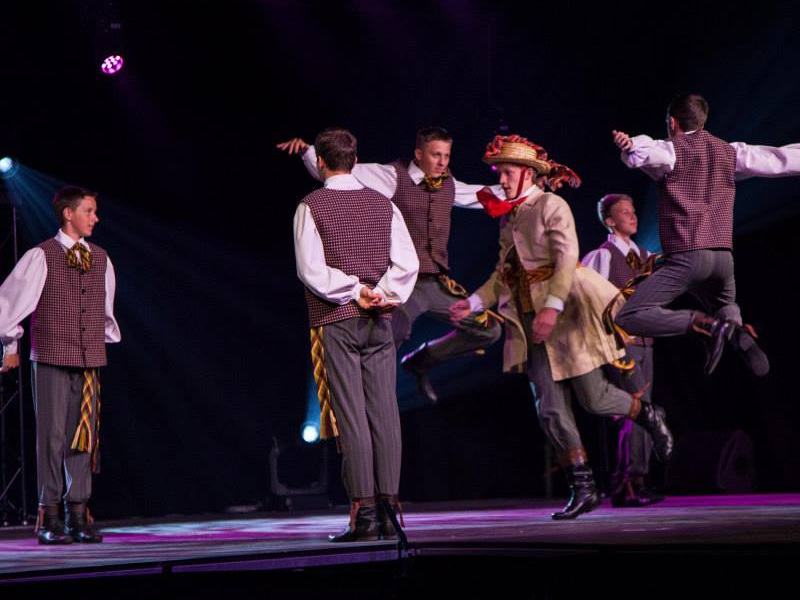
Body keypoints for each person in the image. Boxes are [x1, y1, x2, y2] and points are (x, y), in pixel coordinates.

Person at [449, 135, 673, 519]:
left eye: (506, 172)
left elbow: (567, 258)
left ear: (527, 173)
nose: (501, 180)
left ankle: (648, 415)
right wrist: (472, 302)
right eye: (499, 172)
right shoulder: (509, 217)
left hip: (566, 315)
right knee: (549, 408)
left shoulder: (552, 205)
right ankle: (583, 486)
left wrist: (551, 308)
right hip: (528, 320)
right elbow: (504, 273)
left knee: (594, 398)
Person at [279, 127, 500, 404]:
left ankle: (422, 360)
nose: (442, 162)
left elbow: (487, 195)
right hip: (404, 286)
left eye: (446, 156)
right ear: (419, 154)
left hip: (437, 285)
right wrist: (308, 152)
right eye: (436, 155)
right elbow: (340, 172)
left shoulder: (450, 185)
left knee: (489, 329)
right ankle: (368, 397)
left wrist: (531, 184)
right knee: (387, 336)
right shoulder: (393, 176)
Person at [613, 93, 800, 375]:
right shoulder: (731, 152)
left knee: (629, 316)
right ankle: (736, 330)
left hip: (687, 258)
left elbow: (646, 152)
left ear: (672, 122)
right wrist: (634, 148)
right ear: (702, 122)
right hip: (723, 259)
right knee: (723, 304)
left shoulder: (671, 150)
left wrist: (630, 145)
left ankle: (706, 325)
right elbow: (779, 159)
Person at [292, 127, 419, 541]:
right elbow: (407, 263)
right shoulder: (383, 203)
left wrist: (354, 291)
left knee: (352, 417)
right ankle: (389, 513)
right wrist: (382, 293)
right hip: (380, 319)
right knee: (385, 413)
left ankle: (365, 516)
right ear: (354, 160)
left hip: (338, 319)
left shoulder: (311, 205)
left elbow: (310, 269)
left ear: (321, 163)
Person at [0, 186, 121, 544]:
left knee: (83, 436)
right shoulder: (42, 256)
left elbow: (105, 310)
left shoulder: (101, 258)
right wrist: (10, 344)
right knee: (52, 437)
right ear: (68, 214)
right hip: (52, 356)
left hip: (88, 360)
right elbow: (9, 302)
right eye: (89, 211)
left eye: (94, 211)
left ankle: (78, 514)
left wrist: (94, 341)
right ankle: (50, 515)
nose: (95, 218)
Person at [582, 194, 664, 507]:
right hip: (619, 343)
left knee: (645, 410)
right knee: (635, 408)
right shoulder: (602, 256)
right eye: (624, 213)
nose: (633, 216)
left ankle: (634, 480)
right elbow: (588, 297)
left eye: (633, 211)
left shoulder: (645, 255)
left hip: (645, 341)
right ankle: (628, 483)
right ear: (610, 221)